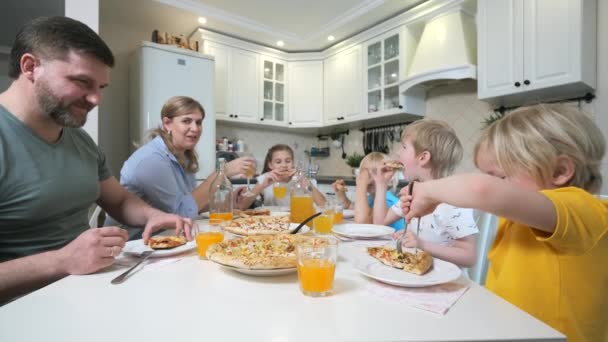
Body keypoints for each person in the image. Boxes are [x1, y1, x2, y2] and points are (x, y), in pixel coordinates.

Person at [0, 16, 191, 304]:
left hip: (91, 290)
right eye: (81, 81)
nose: (95, 99)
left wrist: (153, 215)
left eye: (101, 87)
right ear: (30, 67)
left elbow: (119, 201)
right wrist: (62, 261)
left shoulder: (80, 140)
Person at [400, 104, 607, 342]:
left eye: (500, 177)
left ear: (559, 171)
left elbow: (481, 190)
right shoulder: (522, 223)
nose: (493, 183)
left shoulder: (582, 209)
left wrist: (425, 191)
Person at [104, 96, 255, 239]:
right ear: (167, 123)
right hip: (132, 246)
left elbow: (190, 204)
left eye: (199, 122)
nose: (195, 128)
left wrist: (226, 201)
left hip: (167, 237)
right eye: (187, 121)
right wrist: (223, 172)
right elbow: (183, 213)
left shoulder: (182, 156)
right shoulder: (151, 160)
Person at [376, 119, 478, 268]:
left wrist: (422, 244)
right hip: (416, 274)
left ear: (423, 158)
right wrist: (380, 184)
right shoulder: (413, 191)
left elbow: (469, 257)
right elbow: (379, 224)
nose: (398, 152)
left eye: (404, 147)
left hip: (446, 286)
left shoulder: (453, 201)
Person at [238, 144, 326, 209]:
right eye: (278, 162)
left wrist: (305, 182)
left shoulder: (301, 178)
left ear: (293, 162)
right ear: (270, 165)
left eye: (288, 161)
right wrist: (262, 186)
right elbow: (242, 206)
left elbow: (324, 206)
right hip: (273, 222)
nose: (284, 165)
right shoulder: (265, 178)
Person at [337, 152, 405, 231]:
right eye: (367, 174)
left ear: (390, 179)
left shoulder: (388, 201)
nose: (370, 178)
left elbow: (362, 223)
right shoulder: (371, 198)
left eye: (375, 172)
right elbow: (351, 207)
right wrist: (341, 193)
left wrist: (361, 183)